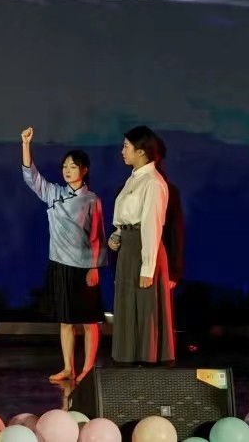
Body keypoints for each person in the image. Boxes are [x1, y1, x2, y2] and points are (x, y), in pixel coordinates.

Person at [19, 127, 106, 383]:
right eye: (65, 166)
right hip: (59, 264)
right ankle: (69, 367)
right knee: (66, 320)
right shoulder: (54, 193)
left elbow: (98, 237)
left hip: (84, 267)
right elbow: (32, 177)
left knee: (88, 321)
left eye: (73, 166)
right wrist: (26, 145)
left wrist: (94, 268)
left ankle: (88, 368)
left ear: (84, 170)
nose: (67, 170)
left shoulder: (91, 200)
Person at [108, 126, 175, 365]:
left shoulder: (153, 182)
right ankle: (128, 354)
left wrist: (148, 267)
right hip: (128, 248)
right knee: (127, 303)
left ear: (141, 151)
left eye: (126, 146)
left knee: (146, 306)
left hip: (143, 248)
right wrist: (117, 235)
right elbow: (126, 215)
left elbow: (150, 225)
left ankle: (149, 356)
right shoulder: (134, 178)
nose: (122, 151)